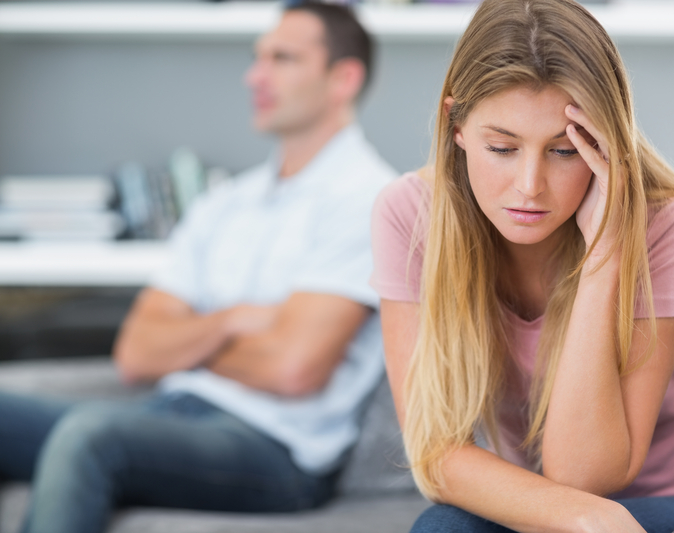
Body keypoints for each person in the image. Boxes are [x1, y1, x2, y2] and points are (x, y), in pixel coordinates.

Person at [370, 0, 674, 532]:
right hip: (568, 509)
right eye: (502, 147)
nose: (529, 186)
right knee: (444, 527)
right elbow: (435, 454)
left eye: (564, 152)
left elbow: (583, 472)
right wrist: (589, 519)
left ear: (606, 146)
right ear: (457, 126)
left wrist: (605, 249)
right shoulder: (410, 214)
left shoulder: (673, 227)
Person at [0, 3, 395, 533]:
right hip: (171, 415)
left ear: (343, 77)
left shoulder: (369, 201)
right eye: (258, 57)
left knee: (90, 433)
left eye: (282, 58)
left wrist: (187, 341)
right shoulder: (226, 202)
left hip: (275, 450)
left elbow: (293, 368)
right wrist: (232, 320)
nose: (254, 75)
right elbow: (136, 353)